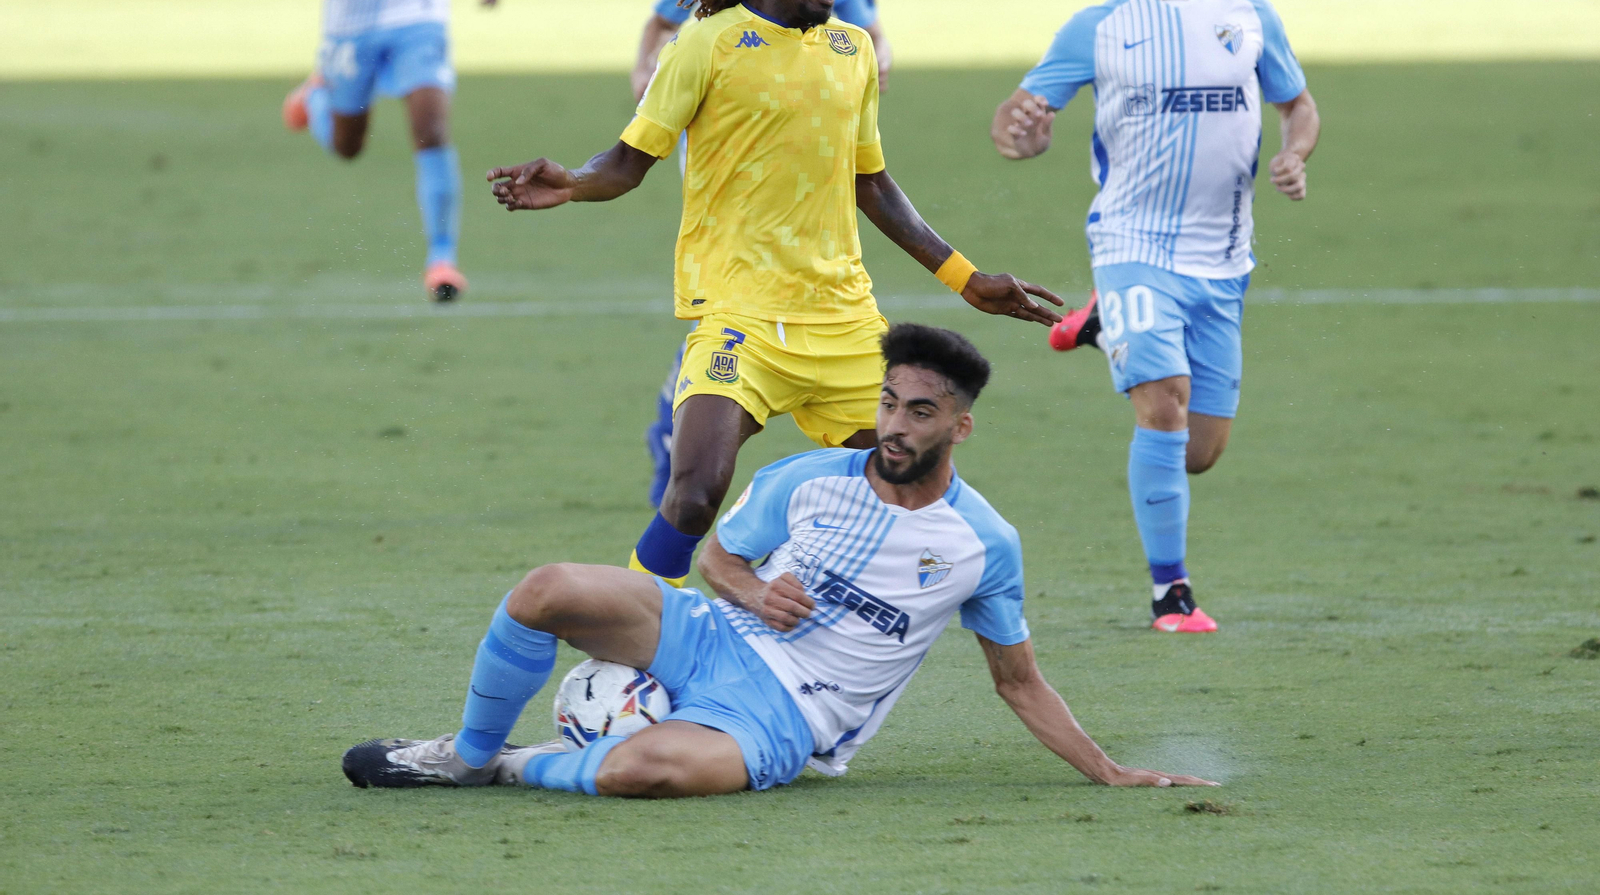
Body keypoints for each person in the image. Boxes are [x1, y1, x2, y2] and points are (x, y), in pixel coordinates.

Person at [341, 324, 1216, 796]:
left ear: (959, 425)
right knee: (545, 590)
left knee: (646, 771)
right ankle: (460, 756)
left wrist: (1106, 769)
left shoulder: (982, 545)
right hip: (712, 634)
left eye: (919, 411)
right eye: (887, 403)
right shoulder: (808, 476)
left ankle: (511, 766)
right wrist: (755, 593)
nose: (895, 426)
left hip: (792, 719)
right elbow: (718, 558)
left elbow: (1017, 681)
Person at [487, 0, 1064, 589]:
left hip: (844, 324)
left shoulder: (851, 53)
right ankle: (636, 638)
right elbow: (629, 162)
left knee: (909, 492)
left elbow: (872, 183)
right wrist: (574, 181)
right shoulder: (704, 45)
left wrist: (967, 280)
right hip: (740, 320)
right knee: (694, 493)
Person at [990, 0, 1321, 633]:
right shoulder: (1097, 28)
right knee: (1163, 406)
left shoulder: (1247, 17)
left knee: (1200, 450)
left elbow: (1298, 105)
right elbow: (1020, 117)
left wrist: (1295, 152)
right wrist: (1022, 134)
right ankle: (1170, 593)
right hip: (1132, 245)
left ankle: (1101, 320)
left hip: (1224, 261)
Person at [633, 0, 893, 507]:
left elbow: (864, 38)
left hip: (816, 255)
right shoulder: (705, 19)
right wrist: (648, 72)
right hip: (732, 229)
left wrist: (867, 63)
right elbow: (662, 32)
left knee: (898, 465)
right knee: (694, 462)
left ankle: (773, 521)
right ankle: (668, 573)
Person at [278, 0, 499, 303]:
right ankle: (316, 98)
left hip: (421, 10)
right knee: (347, 145)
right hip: (353, 14)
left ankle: (442, 259)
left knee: (432, 129)